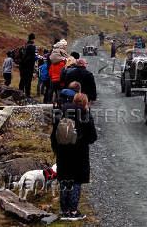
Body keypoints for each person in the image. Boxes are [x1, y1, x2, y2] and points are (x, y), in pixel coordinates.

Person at [51, 93, 97, 221]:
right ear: (84, 103)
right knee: (76, 181)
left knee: (65, 179)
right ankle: (73, 212)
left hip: (62, 153)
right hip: (79, 153)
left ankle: (64, 211)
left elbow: (53, 133)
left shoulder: (60, 112)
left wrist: (56, 149)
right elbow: (93, 137)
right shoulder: (85, 115)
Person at [49, 40, 70, 104]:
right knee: (60, 94)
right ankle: (60, 106)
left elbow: (50, 73)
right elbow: (65, 72)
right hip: (60, 80)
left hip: (53, 80)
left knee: (54, 93)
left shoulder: (52, 64)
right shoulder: (63, 63)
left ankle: (53, 105)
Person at [19, 33, 36, 98]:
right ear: (33, 39)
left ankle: (20, 92)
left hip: (22, 66)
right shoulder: (32, 46)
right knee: (28, 80)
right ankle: (27, 94)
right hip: (29, 67)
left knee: (22, 79)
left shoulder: (24, 46)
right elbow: (32, 57)